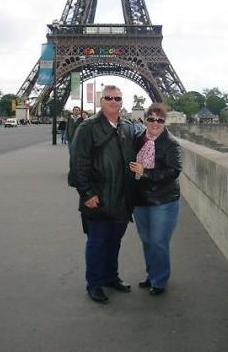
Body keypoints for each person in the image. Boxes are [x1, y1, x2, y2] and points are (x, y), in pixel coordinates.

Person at [69, 85, 136, 304]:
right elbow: (78, 163)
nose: (113, 101)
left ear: (122, 101)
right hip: (97, 196)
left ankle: (110, 277)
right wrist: (87, 193)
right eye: (108, 97)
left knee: (114, 242)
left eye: (117, 98)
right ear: (101, 100)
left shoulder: (127, 127)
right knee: (97, 243)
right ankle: (95, 284)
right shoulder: (87, 127)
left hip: (121, 197)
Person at [129, 103, 182, 296]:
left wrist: (145, 173)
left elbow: (173, 171)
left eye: (159, 120)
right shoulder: (137, 139)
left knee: (159, 241)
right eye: (151, 119)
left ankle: (159, 280)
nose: (155, 123)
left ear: (164, 121)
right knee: (147, 241)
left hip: (163, 200)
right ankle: (152, 274)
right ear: (145, 120)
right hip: (141, 199)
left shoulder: (171, 143)